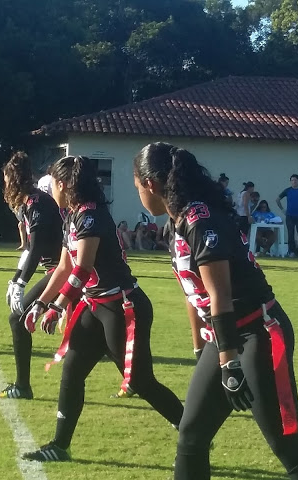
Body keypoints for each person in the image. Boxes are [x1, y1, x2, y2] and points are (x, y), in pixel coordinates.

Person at [133, 142, 298, 480]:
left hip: (258, 333)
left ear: (150, 184)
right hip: (224, 337)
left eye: (136, 186)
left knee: (288, 447)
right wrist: (201, 348)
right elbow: (196, 297)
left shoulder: (198, 219)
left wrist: (229, 362)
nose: (139, 195)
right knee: (191, 436)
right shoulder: (175, 223)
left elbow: (219, 295)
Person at [21, 155, 183, 462]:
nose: (50, 190)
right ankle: (59, 445)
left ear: (64, 184)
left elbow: (83, 267)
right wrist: (42, 302)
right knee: (72, 370)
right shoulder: (73, 214)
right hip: (96, 303)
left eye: (53, 183)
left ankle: (191, 432)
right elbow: (64, 266)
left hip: (120, 305)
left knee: (139, 381)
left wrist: (57, 306)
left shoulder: (90, 215)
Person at [0, 151, 64, 399]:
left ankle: (23, 386)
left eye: (5, 179)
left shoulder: (37, 203)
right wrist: (15, 279)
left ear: (12, 179)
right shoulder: (30, 203)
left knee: (17, 319)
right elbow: (31, 249)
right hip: (59, 269)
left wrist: (21, 282)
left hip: (64, 270)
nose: (4, 185)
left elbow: (37, 247)